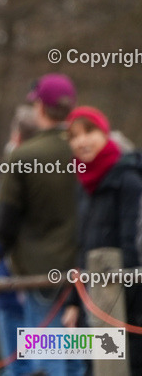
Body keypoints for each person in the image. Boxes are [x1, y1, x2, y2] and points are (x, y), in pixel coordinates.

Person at [0, 74, 81, 376]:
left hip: (42, 271)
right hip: (89, 268)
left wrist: (3, 249)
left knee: (47, 359)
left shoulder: (24, 156)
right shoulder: (86, 150)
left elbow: (4, 222)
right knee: (80, 354)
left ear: (41, 108)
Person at [62, 106, 142, 371]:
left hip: (125, 304)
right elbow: (83, 246)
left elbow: (132, 244)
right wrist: (75, 301)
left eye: (89, 132)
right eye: (74, 136)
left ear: (105, 133)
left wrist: (117, 302)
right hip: (92, 301)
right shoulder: (84, 187)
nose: (81, 141)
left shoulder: (128, 180)